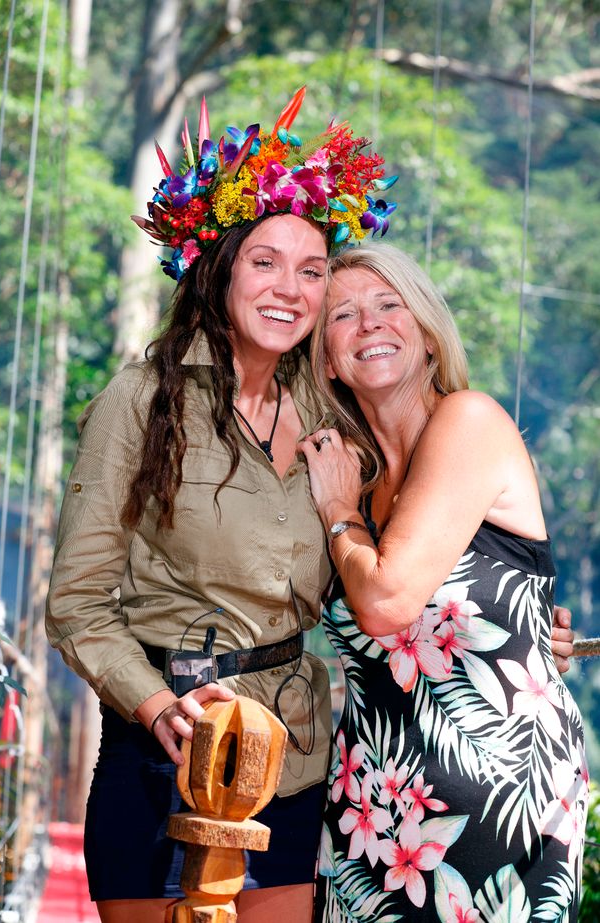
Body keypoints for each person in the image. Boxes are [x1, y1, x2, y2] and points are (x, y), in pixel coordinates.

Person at [45, 90, 574, 923]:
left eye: (311, 270)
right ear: (219, 267)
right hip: (164, 751)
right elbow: (76, 602)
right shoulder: (141, 399)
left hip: (299, 764)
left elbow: (414, 565)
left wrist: (514, 622)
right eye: (265, 261)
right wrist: (155, 706)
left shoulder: (339, 433)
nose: (290, 288)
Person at [299, 243, 588, 921]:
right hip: (369, 807)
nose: (368, 324)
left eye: (388, 305)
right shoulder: (348, 474)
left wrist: (338, 513)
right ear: (327, 359)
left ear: (427, 335)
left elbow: (387, 600)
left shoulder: (469, 422)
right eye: (342, 315)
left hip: (499, 800)